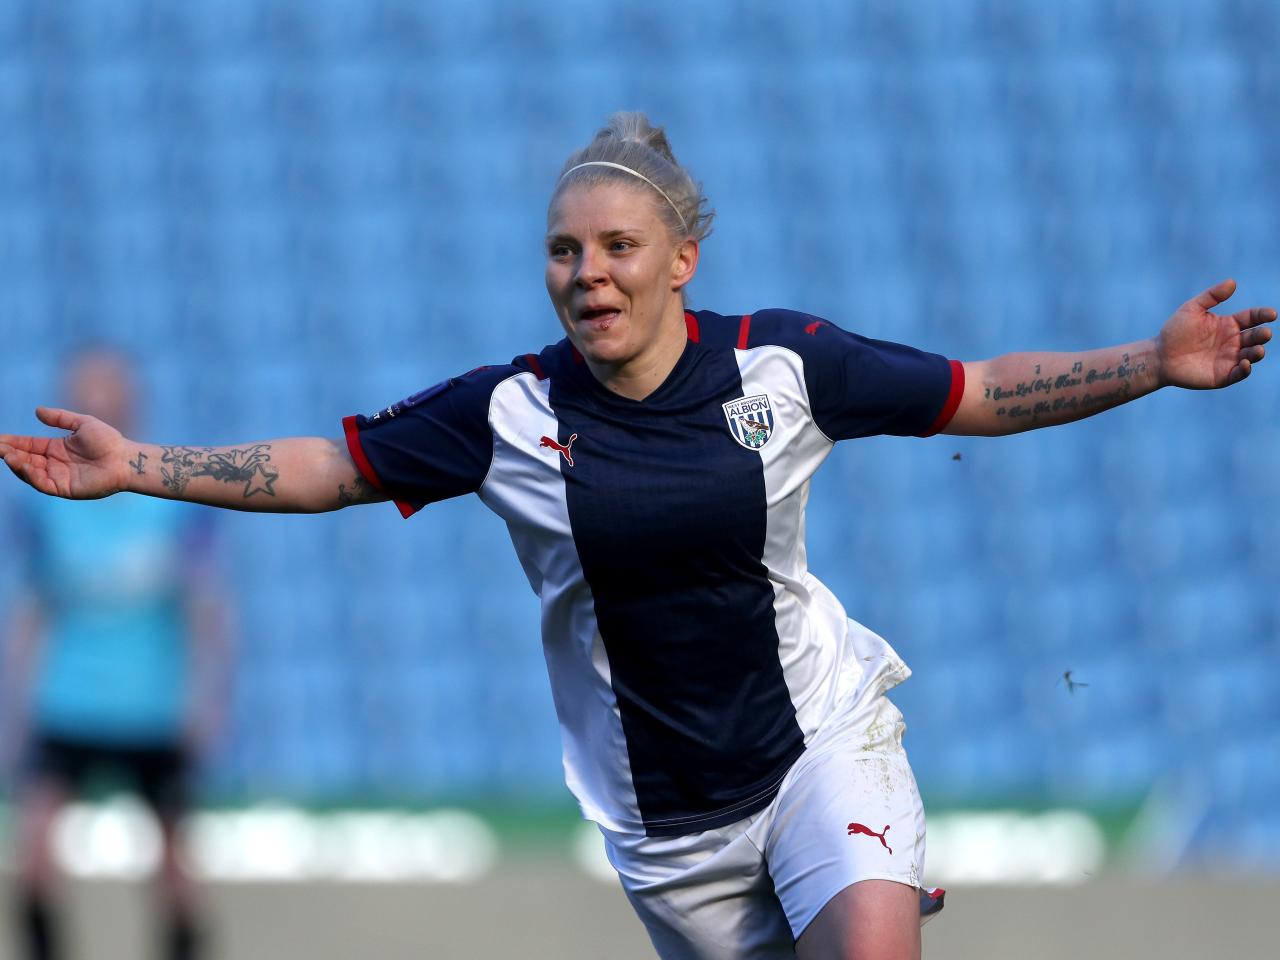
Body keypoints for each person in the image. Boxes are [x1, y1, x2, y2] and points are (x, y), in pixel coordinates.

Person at [0, 113, 1273, 960]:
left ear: (681, 261)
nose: (587, 272)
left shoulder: (784, 362)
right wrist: (140, 470)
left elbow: (977, 391)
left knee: (874, 940)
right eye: (563, 250)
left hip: (816, 741)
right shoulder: (506, 412)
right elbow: (331, 467)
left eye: (617, 246)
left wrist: (1149, 365)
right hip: (671, 833)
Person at [1, 349, 231, 960]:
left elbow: (208, 608)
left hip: (150, 704)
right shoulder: (44, 498)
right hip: (69, 700)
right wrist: (19, 706)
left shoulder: (175, 495)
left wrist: (206, 699)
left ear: (132, 403)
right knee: (36, 861)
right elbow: (31, 609)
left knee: (175, 871)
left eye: (108, 392)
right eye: (85, 393)